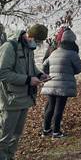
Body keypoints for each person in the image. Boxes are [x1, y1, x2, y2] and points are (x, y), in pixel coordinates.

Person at [0, 24, 49, 159]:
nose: (38, 44)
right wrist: (28, 80)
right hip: (10, 99)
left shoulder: (28, 48)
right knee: (4, 137)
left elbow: (30, 66)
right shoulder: (10, 47)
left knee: (16, 135)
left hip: (24, 98)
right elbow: (3, 73)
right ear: (30, 36)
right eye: (38, 41)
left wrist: (40, 75)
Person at [41, 28, 81, 138]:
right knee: (59, 108)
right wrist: (70, 71)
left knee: (50, 107)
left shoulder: (54, 52)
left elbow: (44, 65)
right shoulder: (73, 54)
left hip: (51, 83)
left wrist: (49, 74)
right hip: (63, 86)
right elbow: (79, 68)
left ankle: (46, 130)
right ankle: (56, 131)